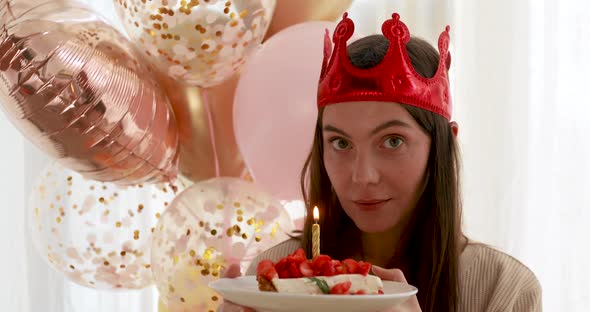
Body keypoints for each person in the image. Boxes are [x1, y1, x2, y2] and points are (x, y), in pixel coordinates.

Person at [218, 12, 541, 312]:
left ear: (443, 145)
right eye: (341, 143)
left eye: (392, 141)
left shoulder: (504, 289)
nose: (363, 176)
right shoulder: (275, 275)